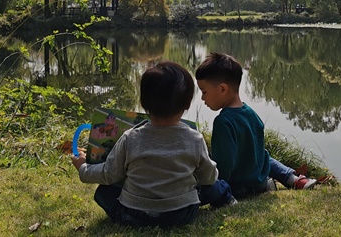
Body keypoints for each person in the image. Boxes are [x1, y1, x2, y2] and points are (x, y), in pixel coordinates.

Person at [71, 61, 231, 228]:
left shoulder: (130, 137)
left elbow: (109, 174)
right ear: (187, 103)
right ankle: (227, 199)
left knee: (104, 192)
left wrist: (83, 167)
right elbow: (209, 176)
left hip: (133, 216)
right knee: (212, 186)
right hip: (181, 214)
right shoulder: (194, 139)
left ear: (144, 103)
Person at [195, 52, 317, 200]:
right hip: (258, 181)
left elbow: (224, 167)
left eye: (204, 92)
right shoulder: (251, 113)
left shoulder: (223, 122)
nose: (202, 98)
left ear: (222, 89)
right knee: (262, 154)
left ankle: (272, 183)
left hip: (238, 189)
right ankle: (289, 179)